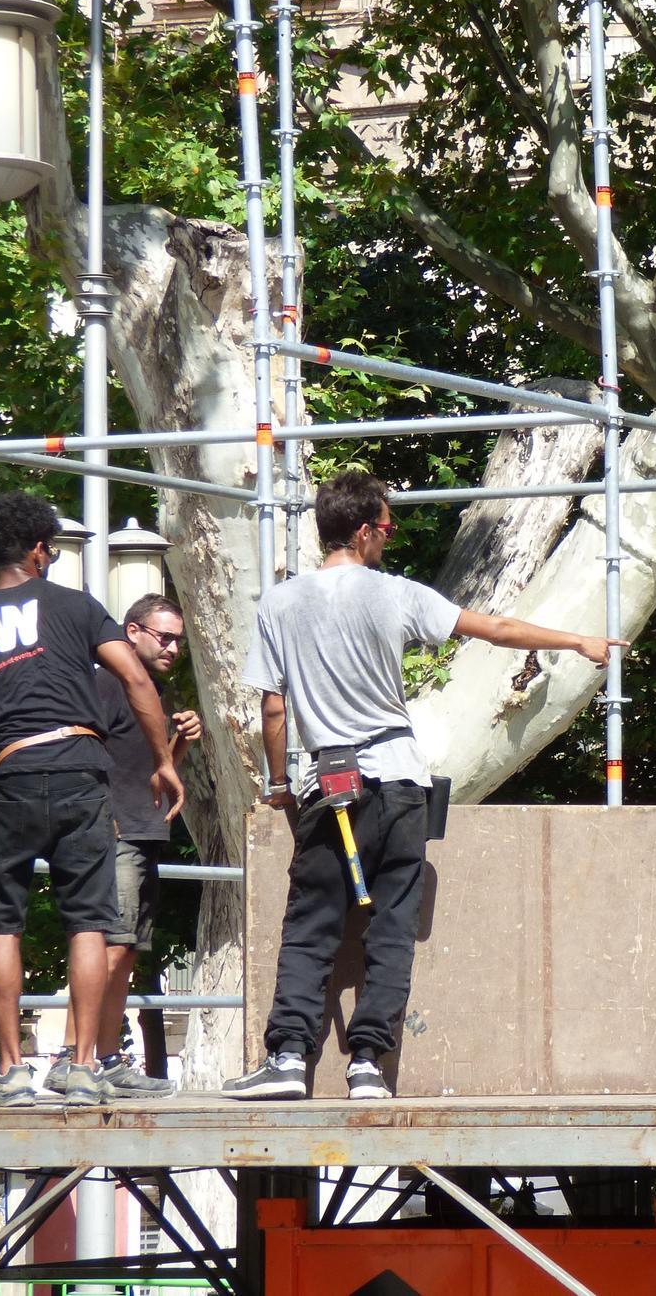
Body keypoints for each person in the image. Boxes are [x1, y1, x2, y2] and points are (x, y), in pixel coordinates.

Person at [224, 470, 622, 1101]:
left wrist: (279, 783)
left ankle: (288, 1061)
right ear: (361, 531)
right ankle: (366, 1067)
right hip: (398, 781)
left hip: (329, 784)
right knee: (391, 926)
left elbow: (272, 708)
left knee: (310, 925)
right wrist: (578, 640)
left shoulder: (278, 603)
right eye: (385, 525)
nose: (391, 535)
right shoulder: (397, 595)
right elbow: (495, 629)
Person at [0, 492, 183, 1107]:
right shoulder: (77, 608)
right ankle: (84, 1066)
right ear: (39, 551)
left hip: (7, 779)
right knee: (88, 921)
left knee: (1, 921)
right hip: (79, 773)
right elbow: (136, 677)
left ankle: (12, 1073)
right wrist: (164, 759)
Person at [42, 593, 201, 1099]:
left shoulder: (153, 692)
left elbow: (159, 772)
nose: (174, 648)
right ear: (131, 632)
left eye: (179, 640)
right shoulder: (106, 682)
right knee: (107, 947)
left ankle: (106, 1058)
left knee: (126, 949)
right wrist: (99, 818)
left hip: (145, 829)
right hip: (115, 833)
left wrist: (183, 743)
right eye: (164, 636)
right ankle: (73, 1057)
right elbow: (77, 752)